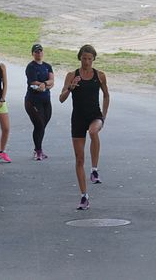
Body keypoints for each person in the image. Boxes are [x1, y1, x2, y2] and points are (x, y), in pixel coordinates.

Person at [59, 45, 110, 210]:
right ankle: (84, 196)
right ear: (79, 58)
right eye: (84, 58)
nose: (87, 61)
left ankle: (94, 169)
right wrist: (70, 87)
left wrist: (104, 115)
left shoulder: (100, 75)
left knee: (93, 131)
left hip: (95, 115)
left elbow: (106, 95)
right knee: (79, 159)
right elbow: (61, 98)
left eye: (89, 58)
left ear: (93, 59)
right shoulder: (72, 75)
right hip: (78, 119)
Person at [25, 44, 54, 160]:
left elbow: (52, 80)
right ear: (33, 54)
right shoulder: (31, 67)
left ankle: (37, 148)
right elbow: (32, 81)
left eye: (40, 51)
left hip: (46, 100)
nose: (38, 53)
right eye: (36, 52)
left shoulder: (47, 66)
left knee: (43, 124)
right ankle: (38, 151)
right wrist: (42, 84)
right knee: (39, 125)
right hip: (33, 101)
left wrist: (45, 84)